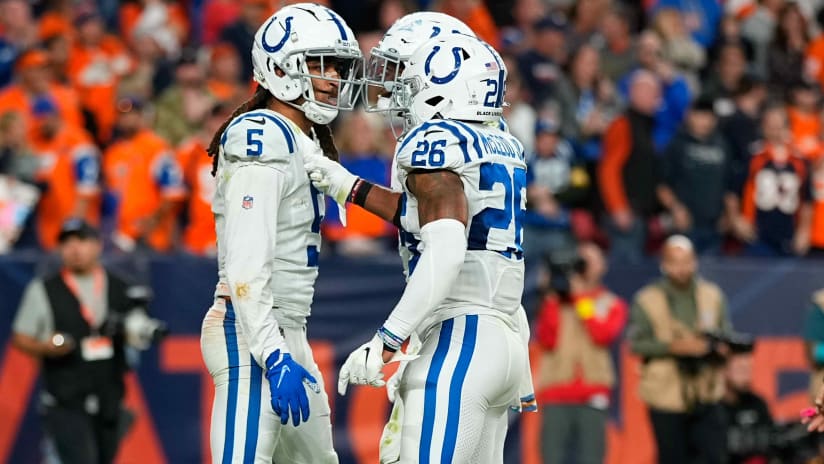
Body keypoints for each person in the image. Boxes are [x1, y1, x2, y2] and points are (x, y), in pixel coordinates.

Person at [310, 33, 531, 462]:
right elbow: (430, 214)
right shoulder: (501, 141)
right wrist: (348, 186)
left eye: (409, 81)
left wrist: (388, 337)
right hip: (504, 335)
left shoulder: (436, 141)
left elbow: (446, 247)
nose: (398, 94)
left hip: (460, 338)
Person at [199, 4, 362, 463]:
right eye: (318, 63)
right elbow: (246, 263)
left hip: (287, 332)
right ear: (278, 67)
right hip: (250, 331)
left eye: (336, 65)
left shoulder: (300, 137)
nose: (332, 77)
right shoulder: (261, 133)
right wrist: (271, 353)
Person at [11, 219, 160, 464]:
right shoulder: (44, 289)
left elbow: (137, 332)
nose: (75, 249)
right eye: (66, 243)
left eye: (81, 241)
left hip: (108, 396)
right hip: (66, 398)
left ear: (97, 245)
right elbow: (21, 337)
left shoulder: (120, 287)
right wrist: (45, 347)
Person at [628, 235, 734, 464]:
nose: (681, 268)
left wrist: (721, 348)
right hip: (666, 392)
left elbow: (726, 332)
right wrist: (674, 347)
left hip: (706, 389)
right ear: (663, 264)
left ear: (695, 261)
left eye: (686, 261)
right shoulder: (647, 299)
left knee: (714, 455)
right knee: (672, 457)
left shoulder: (712, 295)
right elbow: (636, 343)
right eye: (675, 262)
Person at [534, 242, 627, 464]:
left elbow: (602, 334)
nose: (582, 266)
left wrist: (580, 298)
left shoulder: (610, 302)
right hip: (557, 389)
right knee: (551, 457)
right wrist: (550, 295)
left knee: (592, 458)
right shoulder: (554, 301)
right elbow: (546, 339)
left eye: (589, 261)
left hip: (593, 391)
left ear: (602, 266)